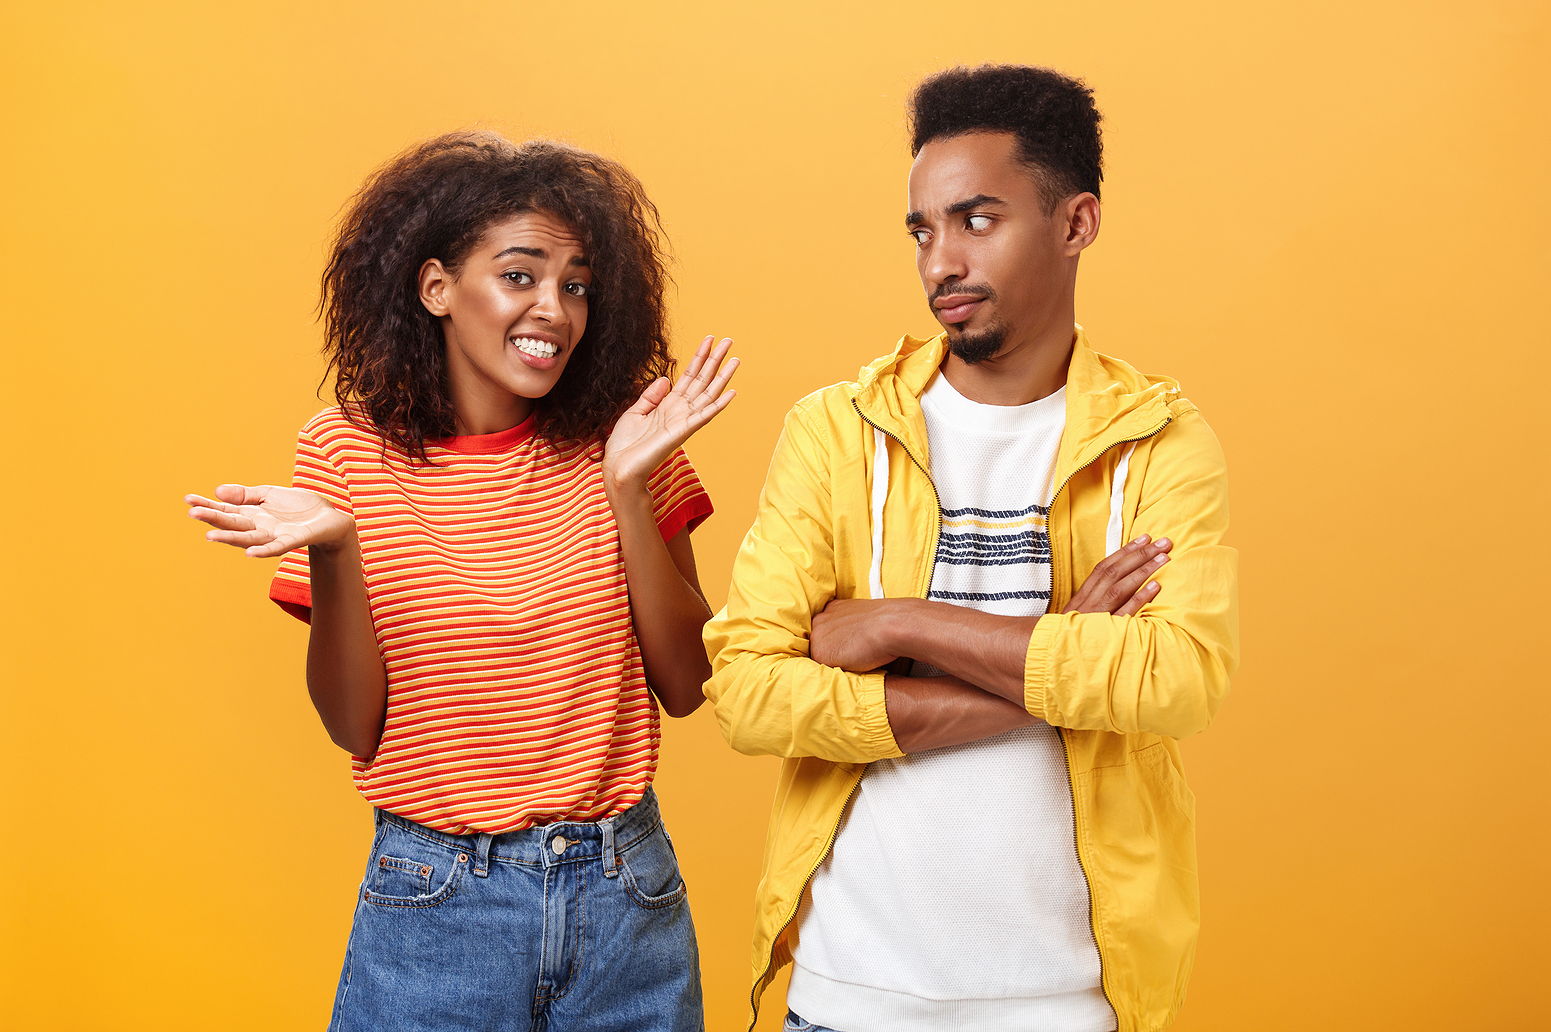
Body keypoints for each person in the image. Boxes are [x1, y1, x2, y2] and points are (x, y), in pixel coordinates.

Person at [703, 65, 1238, 1032]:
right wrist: (1058, 652)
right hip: (845, 996)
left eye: (975, 221)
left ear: (1076, 223)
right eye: (922, 228)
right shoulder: (837, 431)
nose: (938, 261)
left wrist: (901, 623)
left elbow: (1177, 678)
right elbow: (746, 690)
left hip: (1068, 1002)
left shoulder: (1157, 437)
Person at [185, 131, 735, 1032]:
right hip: (435, 902)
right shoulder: (343, 451)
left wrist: (628, 490)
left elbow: (687, 684)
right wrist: (336, 548)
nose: (554, 308)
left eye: (576, 284)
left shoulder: (627, 439)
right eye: (520, 275)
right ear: (436, 287)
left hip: (623, 896)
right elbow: (352, 725)